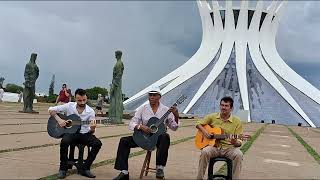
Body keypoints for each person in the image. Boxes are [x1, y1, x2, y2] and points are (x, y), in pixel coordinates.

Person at [113, 86, 179, 180]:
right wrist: (141, 126)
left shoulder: (166, 110)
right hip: (144, 138)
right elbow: (132, 123)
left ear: (159, 96)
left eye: (154, 95)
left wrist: (176, 115)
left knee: (165, 136)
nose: (151, 97)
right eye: (150, 95)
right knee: (124, 141)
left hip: (158, 142)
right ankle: (124, 172)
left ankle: (160, 168)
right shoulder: (142, 108)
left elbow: (174, 127)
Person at [48, 88, 102, 179]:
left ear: (86, 98)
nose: (81, 102)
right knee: (64, 141)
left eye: (84, 100)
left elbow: (91, 130)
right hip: (70, 133)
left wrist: (93, 128)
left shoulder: (90, 111)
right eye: (79, 100)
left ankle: (86, 168)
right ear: (75, 98)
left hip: (84, 134)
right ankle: (63, 169)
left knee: (97, 143)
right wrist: (60, 120)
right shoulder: (69, 106)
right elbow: (50, 109)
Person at [196, 96, 243, 179]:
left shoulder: (237, 121)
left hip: (229, 148)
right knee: (204, 151)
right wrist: (205, 132)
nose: (223, 108)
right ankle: (199, 178)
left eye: (226, 106)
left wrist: (235, 142)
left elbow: (239, 141)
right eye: (222, 105)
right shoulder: (212, 117)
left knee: (239, 154)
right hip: (214, 147)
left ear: (231, 108)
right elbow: (198, 124)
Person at [109, 50, 124, 123]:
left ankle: (117, 118)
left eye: (115, 54)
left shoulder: (119, 63)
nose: (114, 55)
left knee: (116, 100)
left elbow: (118, 75)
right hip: (116, 83)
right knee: (115, 100)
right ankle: (114, 118)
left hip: (116, 85)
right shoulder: (118, 63)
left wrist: (114, 86)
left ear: (117, 55)